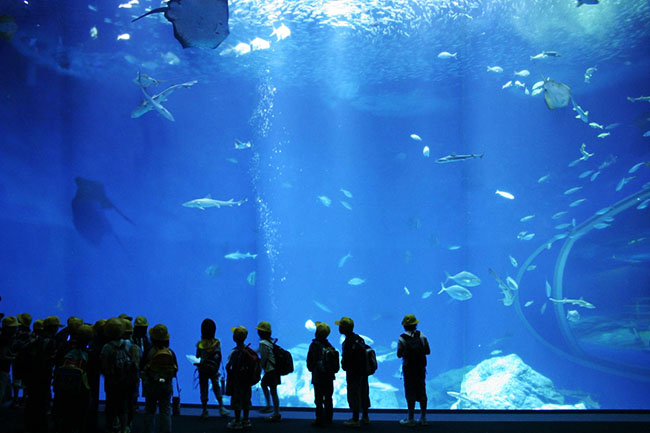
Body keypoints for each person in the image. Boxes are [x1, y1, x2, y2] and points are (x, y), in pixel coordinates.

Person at [100, 317, 139, 433]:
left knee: (111, 404)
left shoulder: (107, 347)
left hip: (111, 381)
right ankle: (125, 427)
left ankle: (111, 425)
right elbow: (136, 360)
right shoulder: (128, 344)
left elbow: (103, 365)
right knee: (124, 405)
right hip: (125, 381)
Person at [53, 324, 94, 433]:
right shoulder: (89, 353)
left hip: (64, 387)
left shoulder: (64, 347)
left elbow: (57, 361)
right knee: (80, 415)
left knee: (65, 414)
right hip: (82, 388)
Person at [23, 315, 61, 433]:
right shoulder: (50, 341)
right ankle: (40, 425)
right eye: (56, 327)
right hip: (43, 374)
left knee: (33, 399)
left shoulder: (34, 338)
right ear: (53, 328)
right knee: (42, 399)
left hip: (32, 374)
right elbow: (49, 358)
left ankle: (30, 424)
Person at [141, 324, 178, 433]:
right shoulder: (170, 352)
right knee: (165, 410)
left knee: (149, 410)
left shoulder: (149, 351)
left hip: (151, 385)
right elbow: (175, 370)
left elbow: (142, 367)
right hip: (166, 386)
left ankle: (148, 431)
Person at [336, 316, 370, 427]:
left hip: (353, 373)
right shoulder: (360, 339)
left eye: (340, 326)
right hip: (363, 372)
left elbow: (346, 360)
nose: (339, 328)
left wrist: (344, 366)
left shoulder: (347, 342)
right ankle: (365, 417)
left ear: (344, 329)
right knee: (364, 392)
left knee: (354, 394)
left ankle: (355, 419)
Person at [397, 314, 431, 427]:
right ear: (416, 324)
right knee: (422, 391)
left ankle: (411, 418)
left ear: (404, 326)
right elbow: (428, 351)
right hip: (420, 369)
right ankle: (423, 417)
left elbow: (398, 354)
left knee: (410, 392)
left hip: (408, 369)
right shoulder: (422, 335)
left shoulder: (402, 338)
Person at [195, 318, 229, 419]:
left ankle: (205, 410)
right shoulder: (217, 343)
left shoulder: (200, 344)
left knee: (203, 389)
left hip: (203, 370)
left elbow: (197, 356)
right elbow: (219, 357)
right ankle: (221, 407)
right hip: (213, 370)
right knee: (216, 387)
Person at [307, 321, 338, 427]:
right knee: (328, 398)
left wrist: (313, 369)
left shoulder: (314, 345)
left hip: (318, 377)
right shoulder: (330, 346)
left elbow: (309, 363)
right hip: (329, 377)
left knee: (319, 399)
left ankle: (319, 419)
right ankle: (329, 418)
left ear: (316, 332)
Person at [225, 326, 257, 430]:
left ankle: (238, 421)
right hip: (247, 381)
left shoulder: (234, 352)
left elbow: (228, 366)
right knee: (246, 399)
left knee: (236, 400)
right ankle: (246, 420)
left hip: (237, 381)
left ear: (234, 338)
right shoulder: (249, 351)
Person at [256, 321, 281, 422]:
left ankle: (275, 412)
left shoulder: (262, 343)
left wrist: (260, 368)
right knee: (266, 385)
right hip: (275, 370)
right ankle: (271, 407)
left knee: (273, 390)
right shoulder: (271, 341)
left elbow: (264, 357)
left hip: (270, 370)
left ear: (260, 333)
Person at [11, 313, 32, 408]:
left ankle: (15, 400)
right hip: (28, 361)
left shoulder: (17, 334)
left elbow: (14, 346)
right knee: (25, 380)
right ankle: (24, 398)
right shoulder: (31, 333)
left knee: (17, 380)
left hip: (18, 360)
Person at [0, 316, 19, 417]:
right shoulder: (5, 339)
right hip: (2, 370)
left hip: (5, 371)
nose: (16, 329)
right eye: (13, 327)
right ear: (7, 328)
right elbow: (2, 356)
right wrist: (15, 358)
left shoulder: (5, 337)